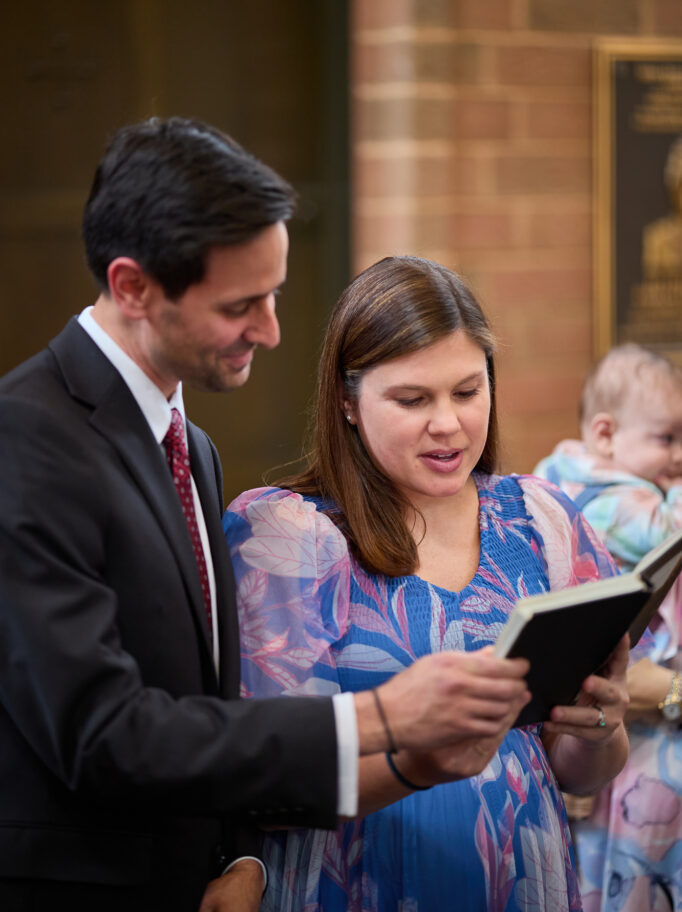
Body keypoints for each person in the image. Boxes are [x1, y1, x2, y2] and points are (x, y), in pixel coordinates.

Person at [0, 121, 532, 912]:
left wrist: (243, 854)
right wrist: (383, 715)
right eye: (241, 304)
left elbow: (212, 709)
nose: (274, 330)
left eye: (274, 294)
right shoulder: (26, 437)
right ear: (134, 286)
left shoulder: (192, 445)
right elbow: (100, 733)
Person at [224, 255, 630, 912]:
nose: (448, 423)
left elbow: (574, 769)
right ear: (348, 403)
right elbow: (269, 782)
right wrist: (416, 761)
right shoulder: (288, 536)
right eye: (413, 400)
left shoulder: (542, 520)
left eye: (468, 392)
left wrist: (601, 725)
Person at [534, 343, 682, 911]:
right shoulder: (612, 499)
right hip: (620, 744)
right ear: (604, 435)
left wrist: (669, 691)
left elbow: (664, 689)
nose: (676, 456)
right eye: (666, 439)